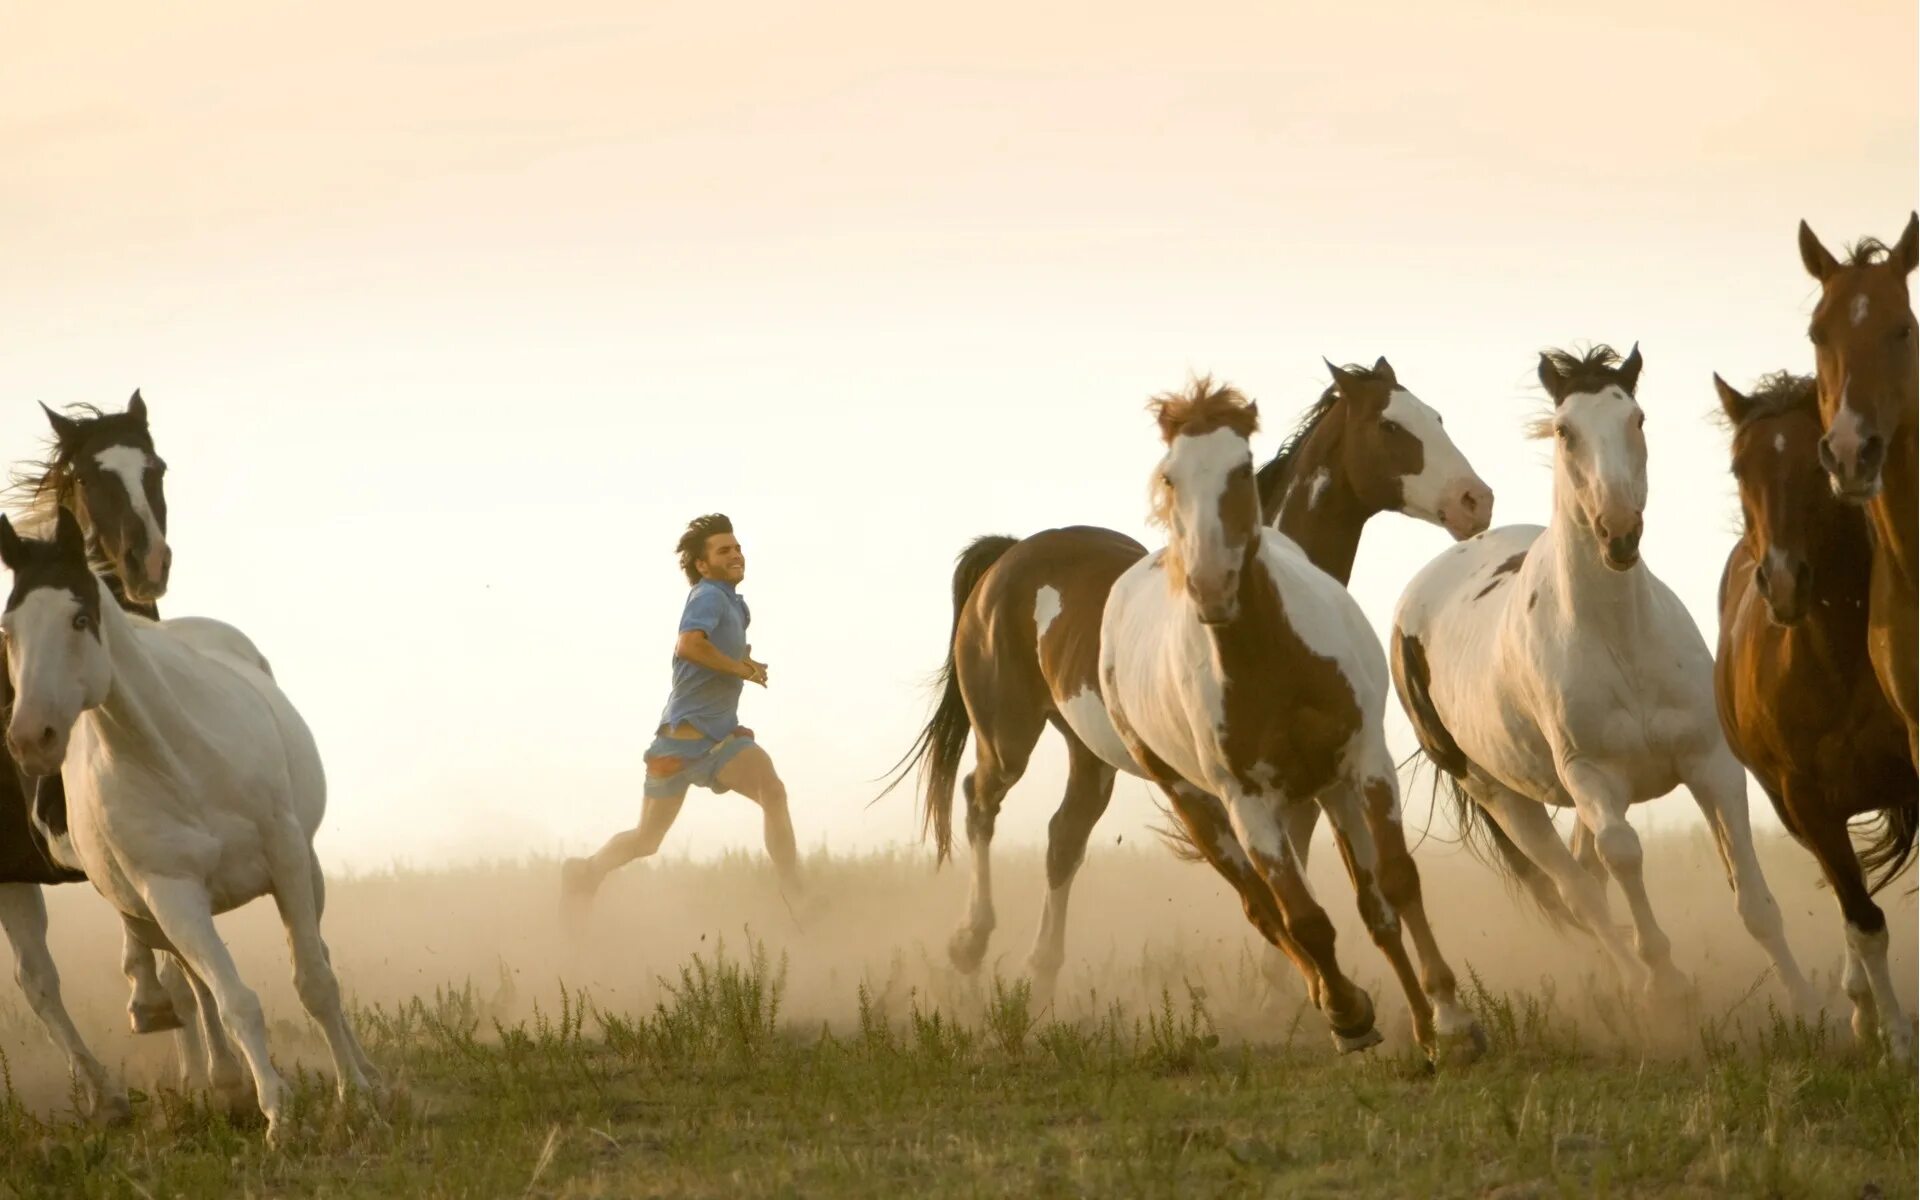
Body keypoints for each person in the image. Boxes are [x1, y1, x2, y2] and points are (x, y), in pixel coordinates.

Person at [562, 513, 802, 917]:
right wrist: (742, 669)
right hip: (686, 744)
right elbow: (690, 646)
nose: (736, 555)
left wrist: (748, 663)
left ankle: (588, 870)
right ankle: (584, 872)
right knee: (649, 840)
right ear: (702, 565)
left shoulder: (733, 606)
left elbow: (715, 654)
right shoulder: (708, 596)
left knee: (768, 794)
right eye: (724, 550)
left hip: (714, 741)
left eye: (738, 547)